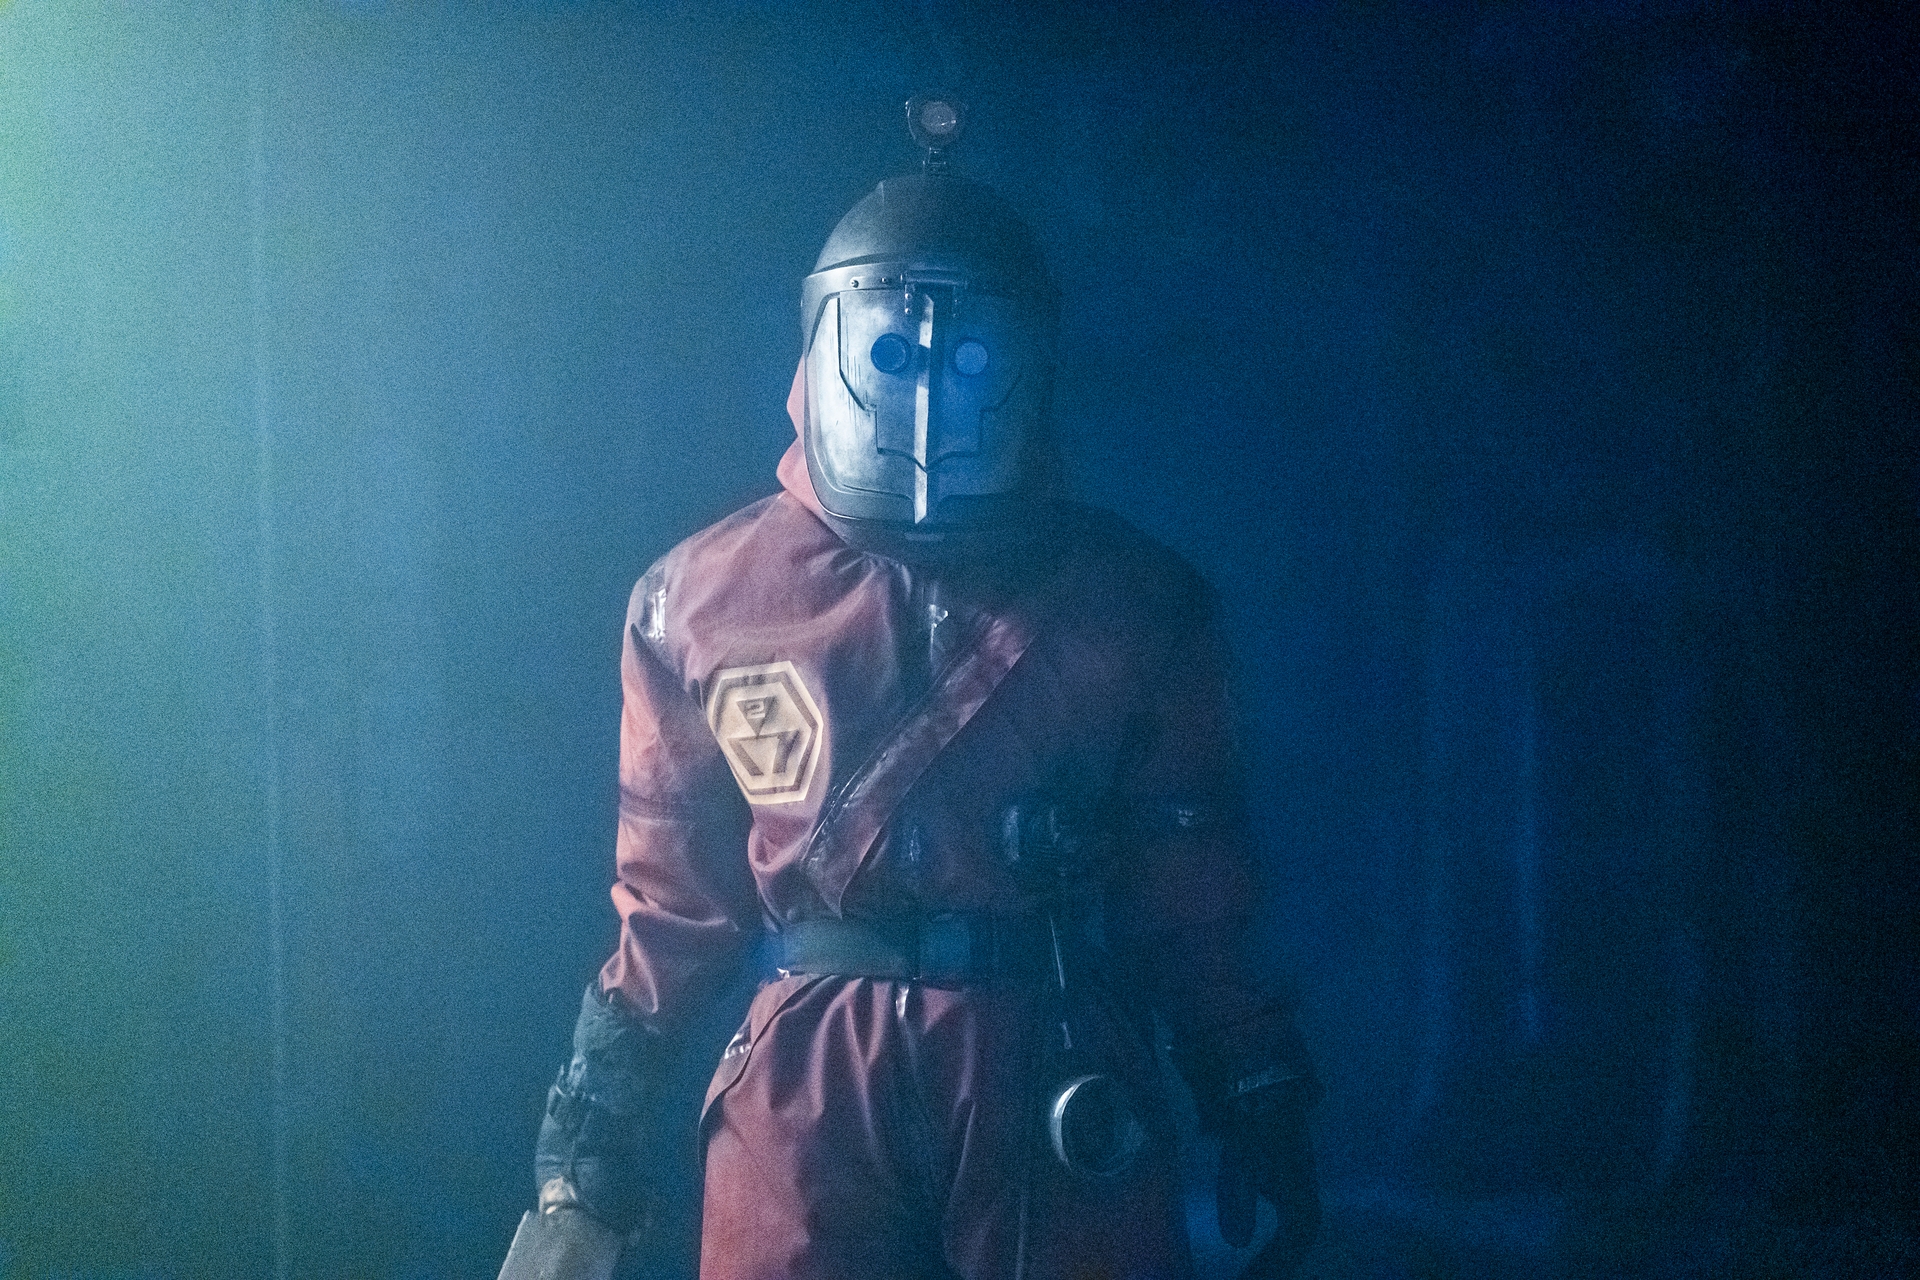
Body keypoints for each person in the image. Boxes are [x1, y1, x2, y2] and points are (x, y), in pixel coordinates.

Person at [528, 98, 1320, 1280]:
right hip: (809, 1083)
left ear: (1031, 364)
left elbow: (1187, 881)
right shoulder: (702, 599)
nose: (932, 393)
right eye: (893, 354)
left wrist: (1252, 1077)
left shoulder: (1128, 603)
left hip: (1047, 1056)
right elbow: (672, 893)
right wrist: (597, 1112)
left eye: (974, 359)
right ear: (828, 347)